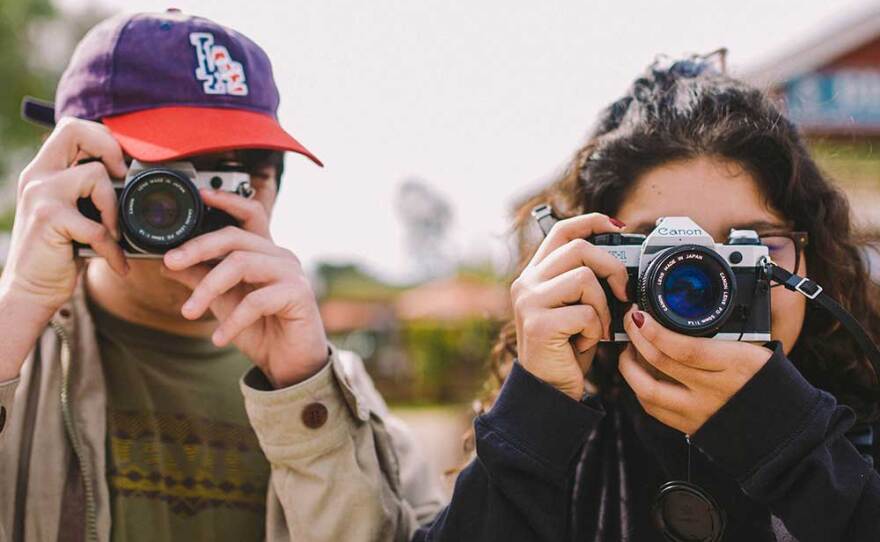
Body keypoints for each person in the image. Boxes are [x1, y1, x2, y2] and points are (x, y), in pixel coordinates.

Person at [0, 10, 444, 542]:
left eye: (234, 176)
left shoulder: (339, 389)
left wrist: (306, 393)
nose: (186, 205)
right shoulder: (18, 354)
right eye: (163, 171)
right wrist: (17, 307)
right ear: (70, 170)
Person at [401, 55, 880, 541]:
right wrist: (532, 416)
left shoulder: (865, 427)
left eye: (750, 249)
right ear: (590, 261)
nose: (706, 284)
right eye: (665, 254)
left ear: (811, 260)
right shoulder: (563, 451)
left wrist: (794, 447)